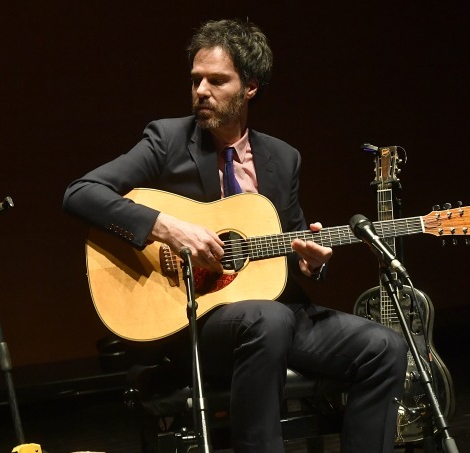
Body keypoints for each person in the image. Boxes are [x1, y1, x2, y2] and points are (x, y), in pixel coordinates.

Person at [63, 18, 407, 453]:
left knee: (384, 346)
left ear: (251, 87)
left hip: (278, 313)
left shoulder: (283, 158)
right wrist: (167, 227)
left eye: (216, 80)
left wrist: (309, 260)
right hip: (198, 321)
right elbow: (80, 193)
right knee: (269, 319)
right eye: (196, 79)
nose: (200, 90)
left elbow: (294, 240)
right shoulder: (167, 140)